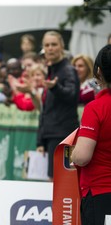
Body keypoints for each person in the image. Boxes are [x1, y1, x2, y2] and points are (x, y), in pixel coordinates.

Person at [71, 44, 111, 225]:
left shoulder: (96, 108)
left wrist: (73, 151)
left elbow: (83, 156)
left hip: (100, 192)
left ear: (98, 72)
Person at [36, 30, 80, 181]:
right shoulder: (51, 69)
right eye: (47, 45)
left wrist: (55, 87)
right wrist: (40, 140)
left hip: (63, 135)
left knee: (61, 182)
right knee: (52, 181)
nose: (50, 48)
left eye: (54, 44)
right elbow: (45, 109)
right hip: (51, 135)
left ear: (62, 46)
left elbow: (72, 95)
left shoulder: (68, 69)